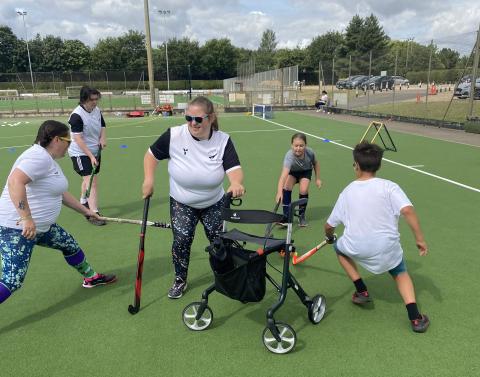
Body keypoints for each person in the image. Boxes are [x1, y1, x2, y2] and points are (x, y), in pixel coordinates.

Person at [0, 120, 116, 304]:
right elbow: (15, 182)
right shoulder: (38, 157)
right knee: (11, 281)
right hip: (19, 229)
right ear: (56, 139)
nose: (69, 146)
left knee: (69, 245)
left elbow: (60, 193)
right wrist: (26, 218)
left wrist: (86, 211)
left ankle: (91, 277)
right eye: (67, 141)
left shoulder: (47, 159)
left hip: (40, 227)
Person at [142, 96, 245, 299]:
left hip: (214, 202)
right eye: (188, 117)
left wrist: (235, 183)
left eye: (198, 119)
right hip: (182, 201)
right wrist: (149, 180)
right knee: (181, 241)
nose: (192, 123)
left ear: (211, 117)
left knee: (219, 242)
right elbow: (151, 155)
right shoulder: (174, 135)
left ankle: (226, 277)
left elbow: (234, 169)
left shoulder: (222, 140)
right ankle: (180, 279)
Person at [324, 141, 429, 333]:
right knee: (399, 271)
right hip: (386, 248)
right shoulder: (390, 187)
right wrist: (420, 239)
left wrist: (329, 236)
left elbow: (329, 225)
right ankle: (415, 318)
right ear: (379, 165)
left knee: (338, 248)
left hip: (356, 247)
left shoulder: (346, 192)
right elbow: (408, 210)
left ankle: (361, 290)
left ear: (356, 165)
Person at [68, 85, 107, 226]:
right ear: (84, 99)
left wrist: (103, 138)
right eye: (92, 100)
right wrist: (90, 156)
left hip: (95, 150)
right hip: (80, 152)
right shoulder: (76, 116)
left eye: (97, 99)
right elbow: (78, 139)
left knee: (88, 179)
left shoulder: (96, 110)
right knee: (93, 181)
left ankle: (83, 201)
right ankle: (93, 213)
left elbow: (102, 125)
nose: (95, 102)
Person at [276, 133, 321, 227]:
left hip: (305, 171)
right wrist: (279, 192)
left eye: (301, 145)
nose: (298, 148)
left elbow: (316, 164)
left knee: (304, 189)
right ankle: (286, 216)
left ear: (305, 145)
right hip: (293, 172)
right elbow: (283, 176)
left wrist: (318, 179)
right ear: (291, 145)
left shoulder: (310, 153)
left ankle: (301, 216)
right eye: (296, 145)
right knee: (287, 187)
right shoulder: (289, 156)